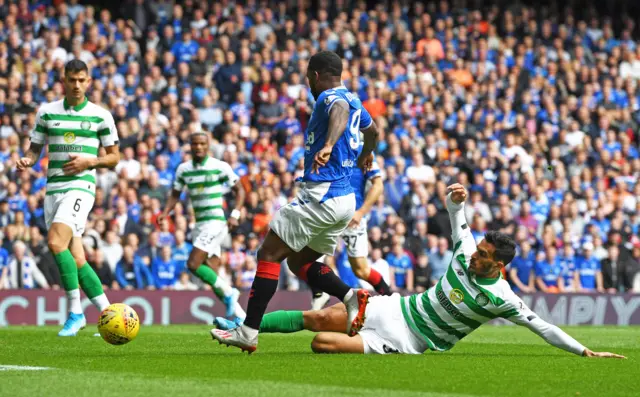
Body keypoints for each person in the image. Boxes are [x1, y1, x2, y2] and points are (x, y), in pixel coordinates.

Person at [220, 184, 625, 359]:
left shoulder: (503, 298)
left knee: (321, 343)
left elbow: (544, 328)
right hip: (399, 308)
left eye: (483, 255)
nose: (473, 255)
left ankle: (251, 328)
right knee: (319, 317)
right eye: (478, 248)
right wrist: (455, 200)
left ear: (497, 266)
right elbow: (457, 217)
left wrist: (583, 350)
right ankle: (244, 328)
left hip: (412, 340)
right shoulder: (466, 249)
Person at [210, 51, 380, 352]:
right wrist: (367, 154)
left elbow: (337, 110)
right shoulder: (355, 99)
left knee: (269, 253)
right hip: (344, 200)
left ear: (314, 75)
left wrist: (328, 144)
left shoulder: (330, 98)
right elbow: (373, 130)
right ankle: (353, 297)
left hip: (322, 195)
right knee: (299, 261)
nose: (308, 84)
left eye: (307, 78)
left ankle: (248, 332)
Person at [17, 59, 120, 336]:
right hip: (54, 189)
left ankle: (75, 312)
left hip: (80, 187)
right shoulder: (47, 112)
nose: (76, 85)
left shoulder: (101, 115)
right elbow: (35, 147)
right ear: (64, 80)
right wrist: (28, 159)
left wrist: (89, 162)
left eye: (81, 80)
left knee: (54, 241)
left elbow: (114, 158)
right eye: (71, 80)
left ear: (89, 82)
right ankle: (109, 314)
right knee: (76, 257)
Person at [158, 132, 246, 322]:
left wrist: (235, 214)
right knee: (212, 276)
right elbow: (175, 194)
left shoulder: (219, 167)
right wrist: (165, 212)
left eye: (202, 144)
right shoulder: (184, 169)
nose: (198, 147)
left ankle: (230, 293)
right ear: (190, 146)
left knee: (192, 264)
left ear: (208, 146)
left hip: (215, 223)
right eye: (195, 144)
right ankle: (241, 318)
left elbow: (240, 190)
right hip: (199, 224)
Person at [309, 156, 390, 311]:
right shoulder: (331, 149)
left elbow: (378, 186)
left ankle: (389, 298)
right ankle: (319, 294)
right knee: (306, 255)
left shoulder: (365, 153)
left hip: (353, 217)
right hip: (330, 212)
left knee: (361, 270)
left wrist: (361, 212)